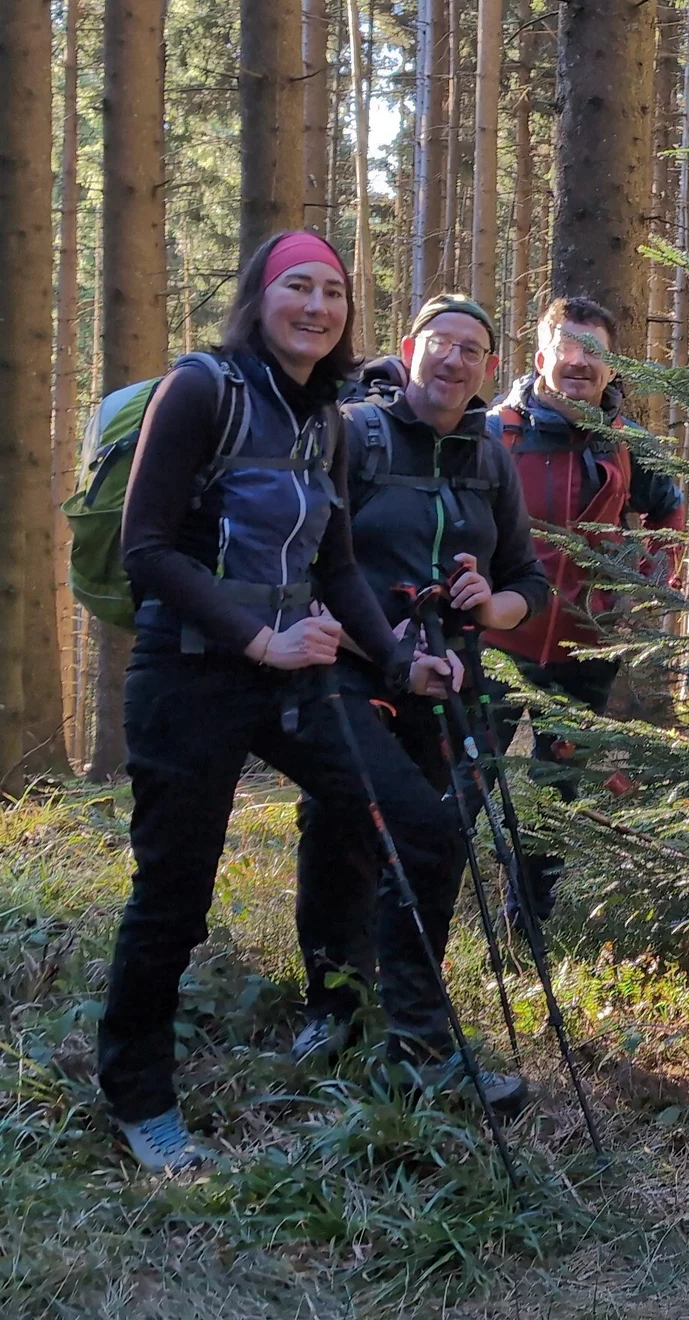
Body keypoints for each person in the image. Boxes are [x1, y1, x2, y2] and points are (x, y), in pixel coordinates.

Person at [99, 232, 465, 1172]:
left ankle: (414, 1049)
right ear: (260, 297)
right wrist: (258, 638)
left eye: (333, 291)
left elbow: (334, 565)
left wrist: (396, 661)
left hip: (295, 677)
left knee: (423, 829)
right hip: (187, 677)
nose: (316, 305)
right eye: (296, 286)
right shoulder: (201, 390)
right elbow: (148, 550)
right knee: (174, 896)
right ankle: (138, 1096)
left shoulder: (329, 420)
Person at [290, 295, 551, 1108]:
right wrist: (392, 655)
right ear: (411, 349)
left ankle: (410, 1028)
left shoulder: (488, 456)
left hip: (446, 683)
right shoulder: (354, 434)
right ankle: (339, 1007)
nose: (454, 361)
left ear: (486, 370)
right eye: (442, 344)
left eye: (473, 351)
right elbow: (311, 568)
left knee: (433, 842)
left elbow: (527, 586)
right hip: (351, 675)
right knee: (342, 831)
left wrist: (485, 605)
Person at [486, 296, 684, 798]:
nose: (579, 361)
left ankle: (537, 882)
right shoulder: (494, 434)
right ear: (541, 360)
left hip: (587, 649)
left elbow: (668, 511)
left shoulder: (628, 443)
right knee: (464, 790)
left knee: (559, 799)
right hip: (493, 644)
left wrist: (647, 576)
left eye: (594, 350)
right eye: (567, 346)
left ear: (610, 367)